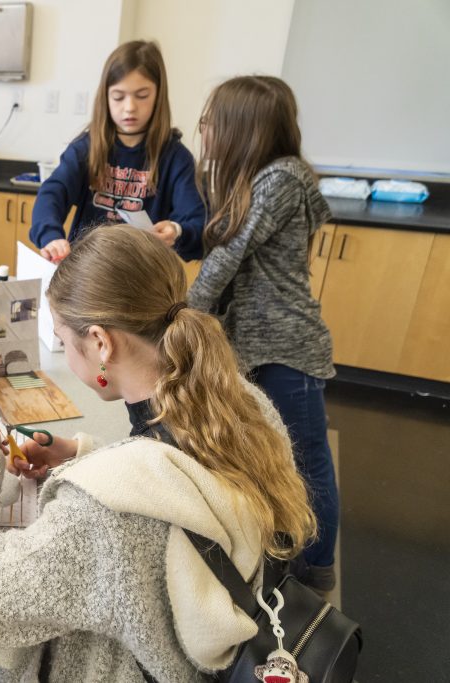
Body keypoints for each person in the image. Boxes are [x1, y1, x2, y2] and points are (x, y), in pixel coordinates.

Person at [0, 226, 316, 681]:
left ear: (101, 342)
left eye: (61, 336)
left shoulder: (103, 514)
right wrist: (82, 455)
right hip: (238, 643)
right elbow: (188, 479)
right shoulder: (246, 404)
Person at [187, 75, 339, 592]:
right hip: (260, 345)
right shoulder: (260, 178)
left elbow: (226, 256)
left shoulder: (279, 181)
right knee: (274, 455)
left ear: (240, 130)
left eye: (210, 122)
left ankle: (316, 570)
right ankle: (286, 553)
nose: (204, 131)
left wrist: (183, 317)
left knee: (307, 461)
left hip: (287, 348)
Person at [29, 40, 205, 264]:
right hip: (88, 271)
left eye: (142, 96)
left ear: (159, 96)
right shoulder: (86, 147)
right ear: (105, 97)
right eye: (118, 97)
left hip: (143, 275)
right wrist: (51, 236)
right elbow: (53, 193)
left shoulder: (176, 158)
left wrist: (177, 230)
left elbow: (197, 223)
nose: (129, 107)